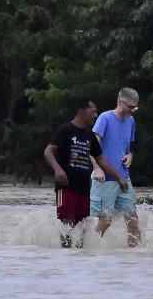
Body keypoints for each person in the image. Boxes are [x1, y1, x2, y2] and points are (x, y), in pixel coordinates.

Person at [44, 98, 128, 247]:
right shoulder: (65, 130)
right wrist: (57, 169)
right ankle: (64, 256)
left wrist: (119, 178)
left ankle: (80, 258)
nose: (95, 115)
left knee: (83, 227)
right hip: (66, 186)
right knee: (66, 225)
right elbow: (48, 151)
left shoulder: (89, 135)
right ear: (81, 110)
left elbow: (101, 160)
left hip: (84, 188)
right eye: (93, 111)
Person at [90, 87, 141, 246]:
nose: (132, 111)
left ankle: (136, 256)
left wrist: (130, 156)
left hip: (124, 179)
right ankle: (84, 247)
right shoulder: (105, 118)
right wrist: (97, 168)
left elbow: (126, 149)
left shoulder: (131, 122)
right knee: (105, 221)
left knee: (133, 220)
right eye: (130, 107)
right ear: (121, 102)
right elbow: (91, 147)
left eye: (135, 108)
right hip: (105, 179)